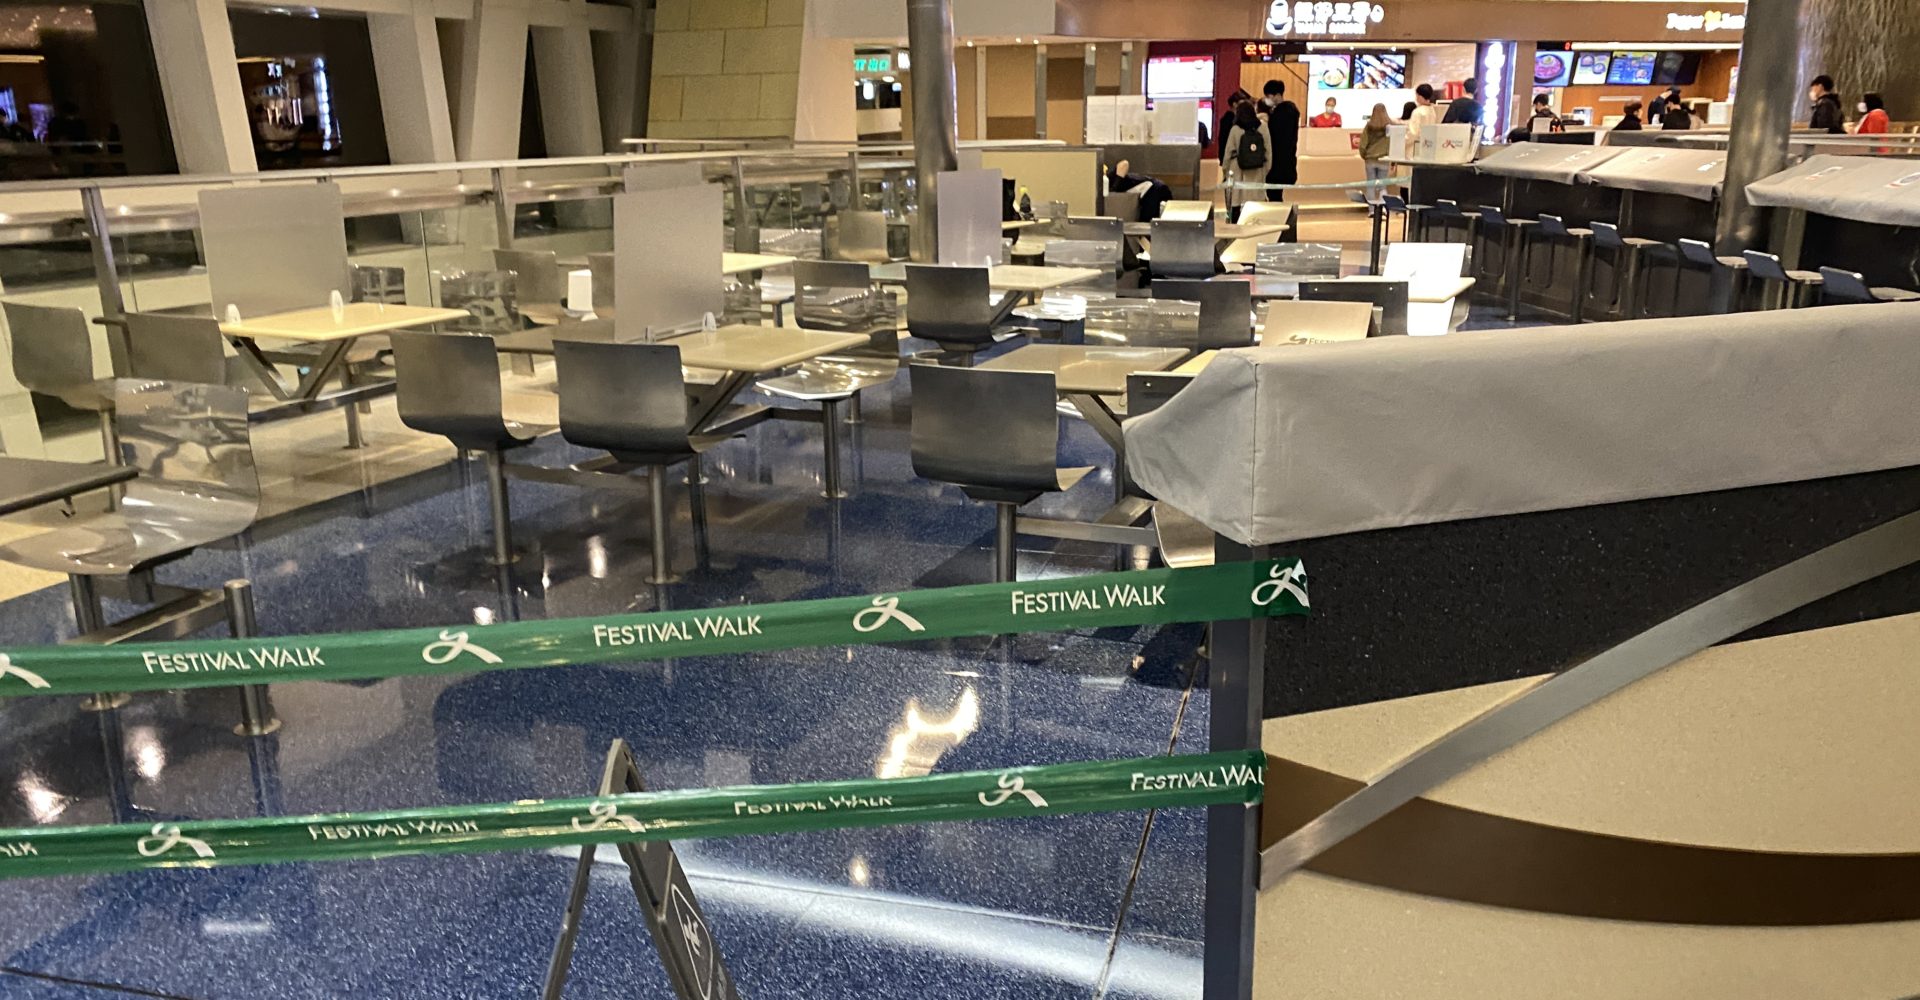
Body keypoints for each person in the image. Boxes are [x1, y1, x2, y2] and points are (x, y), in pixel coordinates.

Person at [1223, 100, 1274, 221]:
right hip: (1257, 173)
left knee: (1236, 209)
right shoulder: (1263, 127)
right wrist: (1264, 171)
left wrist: (1226, 173)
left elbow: (1228, 154)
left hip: (1237, 172)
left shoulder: (1235, 129)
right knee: (1255, 212)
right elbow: (1268, 153)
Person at [1260, 79, 1300, 197]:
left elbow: (1273, 137)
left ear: (1277, 95)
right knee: (1276, 195)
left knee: (1273, 194)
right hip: (1287, 162)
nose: (1267, 99)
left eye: (1269, 96)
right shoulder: (1291, 111)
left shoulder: (1280, 114)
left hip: (1277, 163)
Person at [1358, 103, 1392, 204]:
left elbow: (1363, 144)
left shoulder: (1369, 126)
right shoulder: (1389, 126)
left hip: (1370, 159)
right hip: (1384, 159)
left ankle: (1372, 209)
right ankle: (1383, 207)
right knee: (1382, 186)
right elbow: (1391, 143)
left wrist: (1364, 155)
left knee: (1370, 186)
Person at [1217, 89, 1252, 166]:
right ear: (1234, 104)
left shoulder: (1237, 119)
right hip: (1231, 158)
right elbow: (1224, 140)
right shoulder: (1228, 120)